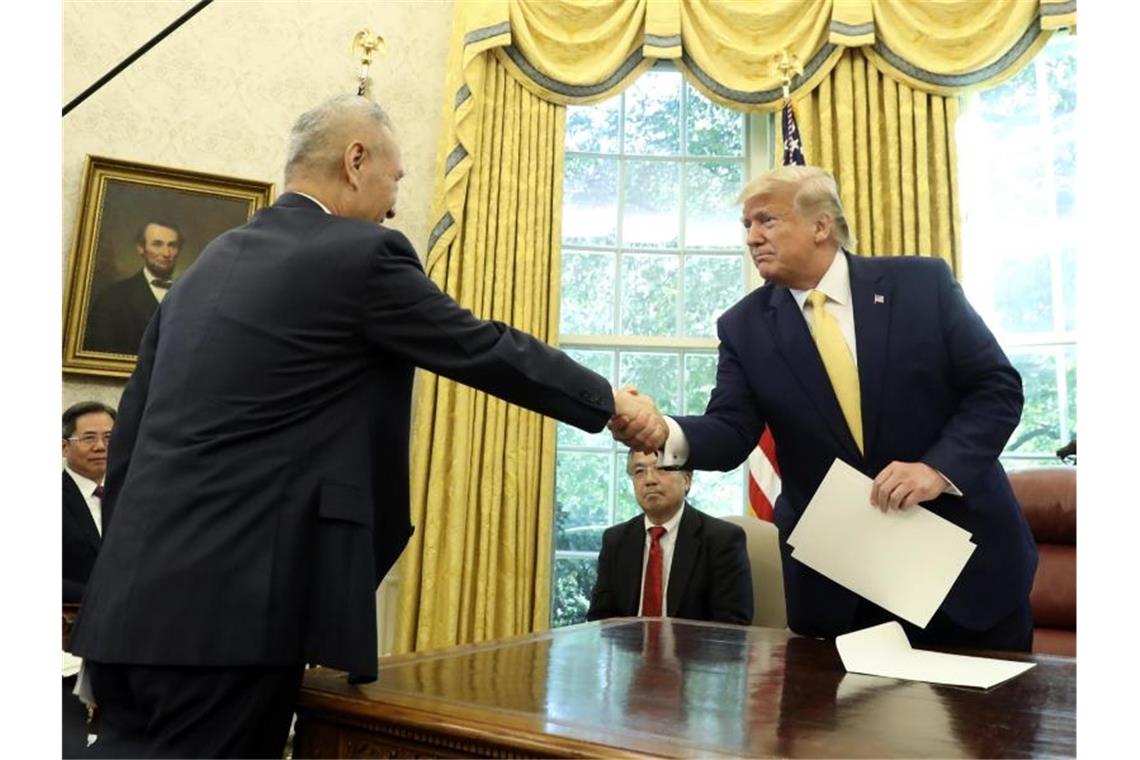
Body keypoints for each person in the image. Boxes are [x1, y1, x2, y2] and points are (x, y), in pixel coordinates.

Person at [68, 95, 657, 759]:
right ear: (355, 160)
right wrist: (609, 401)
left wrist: (116, 588)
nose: (395, 203)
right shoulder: (360, 254)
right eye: (395, 179)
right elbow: (481, 347)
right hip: (232, 617)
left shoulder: (206, 266)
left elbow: (130, 446)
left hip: (127, 610)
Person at [611, 165, 1037, 652]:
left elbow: (996, 388)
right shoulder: (743, 326)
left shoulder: (922, 284)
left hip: (964, 577)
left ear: (821, 226)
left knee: (988, 727)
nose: (752, 238)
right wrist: (659, 429)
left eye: (766, 220)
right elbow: (730, 431)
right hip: (842, 592)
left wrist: (937, 469)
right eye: (746, 226)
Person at [586, 449, 752, 624]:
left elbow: (732, 626)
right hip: (628, 650)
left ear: (686, 480)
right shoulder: (616, 540)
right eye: (639, 471)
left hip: (694, 650)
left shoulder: (722, 540)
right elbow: (600, 618)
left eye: (662, 469)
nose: (649, 480)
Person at [61, 400, 115, 757]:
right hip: (64, 640)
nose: (101, 447)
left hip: (118, 643)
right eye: (89, 438)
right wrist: (104, 597)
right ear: (65, 445)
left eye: (110, 438)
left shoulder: (128, 496)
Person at [84, 220, 183, 355]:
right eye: (157, 244)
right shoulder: (112, 298)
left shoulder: (190, 296)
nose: (166, 253)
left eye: (172, 245)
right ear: (141, 248)